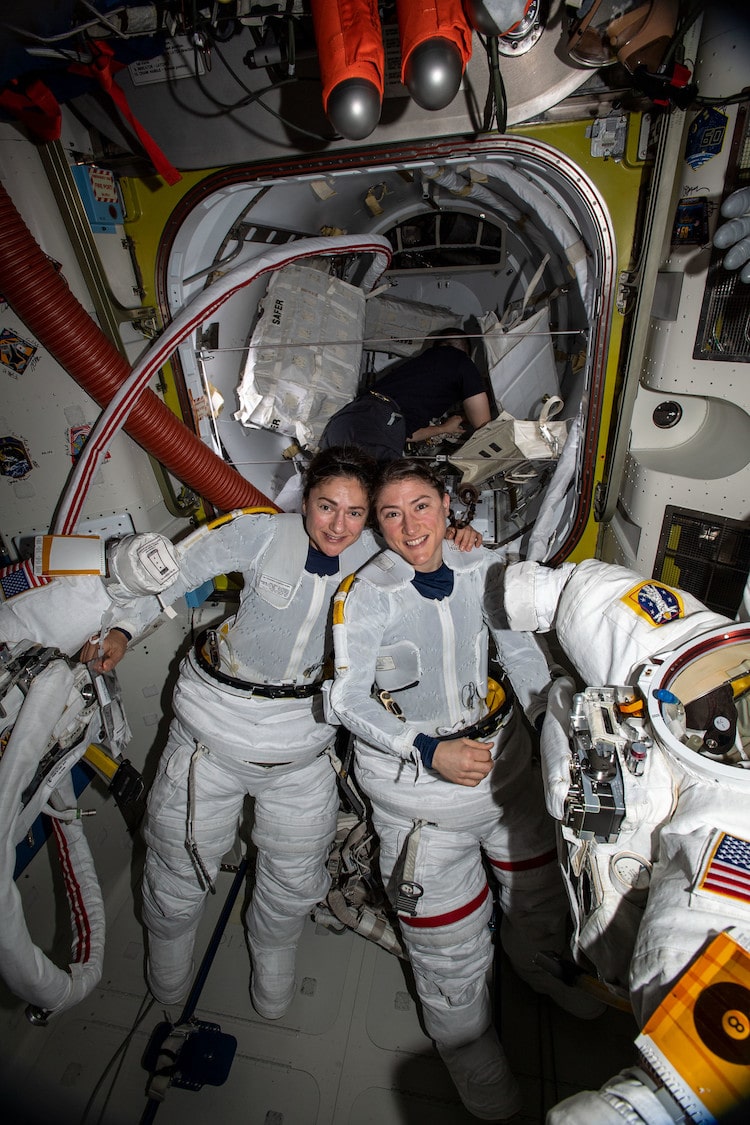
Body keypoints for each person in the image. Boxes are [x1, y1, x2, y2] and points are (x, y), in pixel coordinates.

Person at [83, 446, 483, 1021]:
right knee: (177, 858)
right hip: (213, 735)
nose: (338, 527)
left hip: (303, 741)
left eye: (354, 514)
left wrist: (460, 540)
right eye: (326, 507)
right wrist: (122, 629)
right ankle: (168, 951)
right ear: (306, 500)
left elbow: (438, 563)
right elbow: (173, 572)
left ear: (370, 516)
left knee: (296, 873)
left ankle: (271, 947)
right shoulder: (259, 534)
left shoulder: (382, 557)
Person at [328, 458, 603, 1123]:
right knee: (447, 948)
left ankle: (538, 961)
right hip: (419, 794)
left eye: (420, 506)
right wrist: (428, 749)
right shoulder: (365, 595)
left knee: (539, 889)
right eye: (391, 514)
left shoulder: (482, 567)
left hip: (503, 765)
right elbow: (344, 700)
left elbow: (522, 655)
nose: (409, 525)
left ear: (448, 505)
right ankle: (469, 1047)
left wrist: (546, 730)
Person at [502, 559, 750, 1125]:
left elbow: (703, 1055)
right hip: (582, 886)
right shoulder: (691, 648)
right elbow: (587, 598)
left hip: (621, 934)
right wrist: (536, 593)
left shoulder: (729, 837)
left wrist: (652, 1104)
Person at [319, 327, 492, 461]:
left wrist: (443, 428)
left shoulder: (414, 371)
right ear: (465, 352)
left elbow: (406, 434)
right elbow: (485, 427)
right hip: (376, 429)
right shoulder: (460, 361)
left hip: (345, 423)